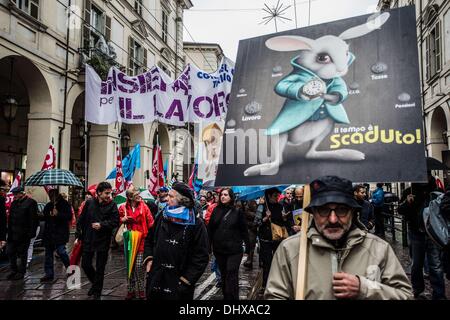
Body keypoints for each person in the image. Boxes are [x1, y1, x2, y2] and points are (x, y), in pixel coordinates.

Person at [265, 176, 413, 300]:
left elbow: (405, 295)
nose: (333, 219)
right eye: (324, 210)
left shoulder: (379, 249)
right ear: (313, 212)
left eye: (342, 210)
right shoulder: (290, 250)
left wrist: (364, 288)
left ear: (353, 211)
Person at [143, 181, 209, 300]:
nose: (167, 198)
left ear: (182, 200)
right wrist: (149, 259)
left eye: (171, 196)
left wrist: (186, 281)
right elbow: (149, 239)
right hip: (156, 278)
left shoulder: (196, 223)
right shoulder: (162, 215)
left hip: (178, 284)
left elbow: (201, 256)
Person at [398, 175, 447, 300]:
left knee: (435, 265)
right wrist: (406, 203)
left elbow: (445, 210)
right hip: (415, 233)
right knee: (416, 264)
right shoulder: (409, 192)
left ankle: (439, 293)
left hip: (433, 234)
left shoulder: (437, 192)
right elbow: (400, 210)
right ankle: (418, 290)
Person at [75, 182, 119, 300]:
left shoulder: (112, 205)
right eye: (106, 193)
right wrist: (78, 235)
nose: (108, 196)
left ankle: (97, 293)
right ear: (99, 192)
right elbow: (81, 220)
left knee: (100, 268)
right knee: (85, 265)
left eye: (110, 193)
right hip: (88, 239)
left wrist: (102, 225)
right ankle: (95, 284)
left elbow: (115, 222)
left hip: (103, 241)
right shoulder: (89, 203)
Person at [208, 188, 249, 300]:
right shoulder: (216, 210)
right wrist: (208, 246)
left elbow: (244, 230)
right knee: (225, 274)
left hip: (234, 251)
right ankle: (227, 297)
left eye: (226, 195)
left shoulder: (237, 211)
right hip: (220, 250)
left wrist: (248, 247)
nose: (222, 196)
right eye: (221, 194)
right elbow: (210, 229)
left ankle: (233, 298)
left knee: (231, 273)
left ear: (231, 197)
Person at [119, 187, 155, 300]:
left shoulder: (144, 207)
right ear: (130, 197)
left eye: (139, 194)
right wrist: (122, 219)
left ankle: (141, 290)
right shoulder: (123, 207)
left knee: (139, 267)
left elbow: (151, 222)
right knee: (129, 267)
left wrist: (151, 238)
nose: (139, 196)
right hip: (129, 240)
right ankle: (130, 291)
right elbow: (116, 219)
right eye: (136, 194)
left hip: (141, 241)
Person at [256, 187, 290, 290]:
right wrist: (266, 218)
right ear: (269, 196)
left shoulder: (280, 207)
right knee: (267, 263)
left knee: (277, 262)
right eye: (275, 195)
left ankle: (276, 284)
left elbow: (283, 223)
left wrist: (284, 218)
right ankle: (265, 285)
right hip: (265, 240)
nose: (277, 197)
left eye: (278, 195)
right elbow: (256, 223)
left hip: (277, 239)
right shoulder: (262, 207)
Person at [6, 186, 38, 280]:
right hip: (13, 233)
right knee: (10, 251)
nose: (14, 196)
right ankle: (13, 270)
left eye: (16, 194)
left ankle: (21, 272)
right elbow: (11, 218)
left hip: (24, 234)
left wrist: (31, 233)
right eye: (14, 194)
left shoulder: (31, 203)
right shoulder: (14, 203)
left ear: (21, 193)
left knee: (23, 254)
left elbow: (33, 219)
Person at [40, 189, 72, 282]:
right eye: (49, 195)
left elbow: (69, 216)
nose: (51, 197)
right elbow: (45, 216)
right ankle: (49, 274)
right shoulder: (49, 205)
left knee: (61, 251)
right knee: (48, 254)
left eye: (52, 195)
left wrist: (58, 214)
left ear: (57, 195)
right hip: (49, 234)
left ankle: (69, 269)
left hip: (60, 233)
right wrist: (47, 214)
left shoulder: (65, 204)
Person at [243, 200, 258, 269]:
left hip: (252, 227)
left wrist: (246, 213)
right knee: (248, 244)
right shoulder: (245, 202)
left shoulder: (253, 202)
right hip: (246, 226)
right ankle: (249, 260)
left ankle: (250, 261)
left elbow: (256, 215)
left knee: (251, 244)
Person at [0, 180, 8, 254]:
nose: (5, 193)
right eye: (4, 190)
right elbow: (3, 219)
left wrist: (3, 238)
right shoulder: (1, 199)